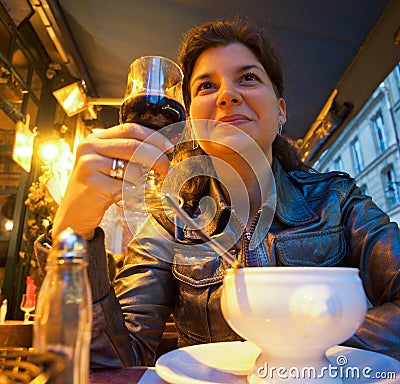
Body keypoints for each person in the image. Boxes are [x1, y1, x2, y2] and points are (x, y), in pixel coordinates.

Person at [35, 16, 400, 368]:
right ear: (191, 121)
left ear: (281, 111)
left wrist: (299, 353)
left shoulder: (338, 201)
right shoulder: (169, 222)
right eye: (206, 86)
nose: (227, 94)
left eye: (248, 78)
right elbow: (113, 359)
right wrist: (72, 235)